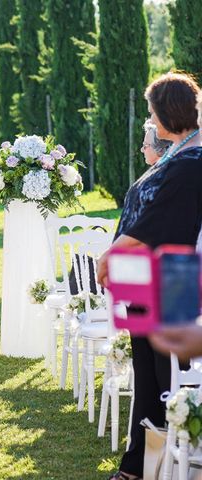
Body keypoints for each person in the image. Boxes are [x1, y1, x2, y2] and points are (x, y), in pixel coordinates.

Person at [97, 72, 202, 480]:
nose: (150, 117)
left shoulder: (192, 163)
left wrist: (112, 253)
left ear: (169, 111)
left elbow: (159, 222)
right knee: (148, 374)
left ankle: (153, 466)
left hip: (170, 284)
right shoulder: (180, 153)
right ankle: (144, 462)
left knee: (164, 378)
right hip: (148, 282)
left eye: (153, 110)